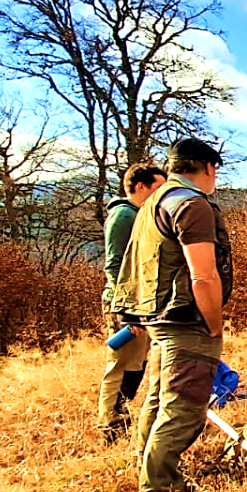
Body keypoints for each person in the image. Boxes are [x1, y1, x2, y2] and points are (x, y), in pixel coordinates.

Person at [110, 138, 232, 492]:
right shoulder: (192, 204)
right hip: (186, 320)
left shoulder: (153, 203)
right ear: (208, 168)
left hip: (158, 318)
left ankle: (159, 480)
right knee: (183, 412)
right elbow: (203, 274)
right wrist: (213, 322)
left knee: (158, 402)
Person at [98, 163, 167, 443]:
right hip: (125, 306)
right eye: (157, 188)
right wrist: (126, 309)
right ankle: (110, 426)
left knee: (136, 364)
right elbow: (114, 265)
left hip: (140, 304)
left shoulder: (139, 216)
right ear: (141, 187)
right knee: (120, 365)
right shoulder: (123, 216)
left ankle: (122, 418)